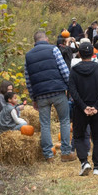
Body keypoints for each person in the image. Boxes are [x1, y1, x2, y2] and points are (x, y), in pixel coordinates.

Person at [24, 30, 75, 161]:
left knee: (45, 124)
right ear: (46, 39)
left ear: (34, 42)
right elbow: (64, 70)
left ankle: (48, 155)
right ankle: (65, 153)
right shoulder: (53, 49)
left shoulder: (28, 56)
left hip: (40, 95)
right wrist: (71, 89)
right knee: (64, 120)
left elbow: (28, 80)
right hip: (57, 91)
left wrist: (33, 98)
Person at [68, 40, 98, 176]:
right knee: (97, 137)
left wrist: (84, 106)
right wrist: (96, 106)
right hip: (97, 109)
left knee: (78, 136)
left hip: (80, 109)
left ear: (79, 54)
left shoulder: (74, 71)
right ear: (93, 54)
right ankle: (97, 166)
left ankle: (84, 162)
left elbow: (73, 91)